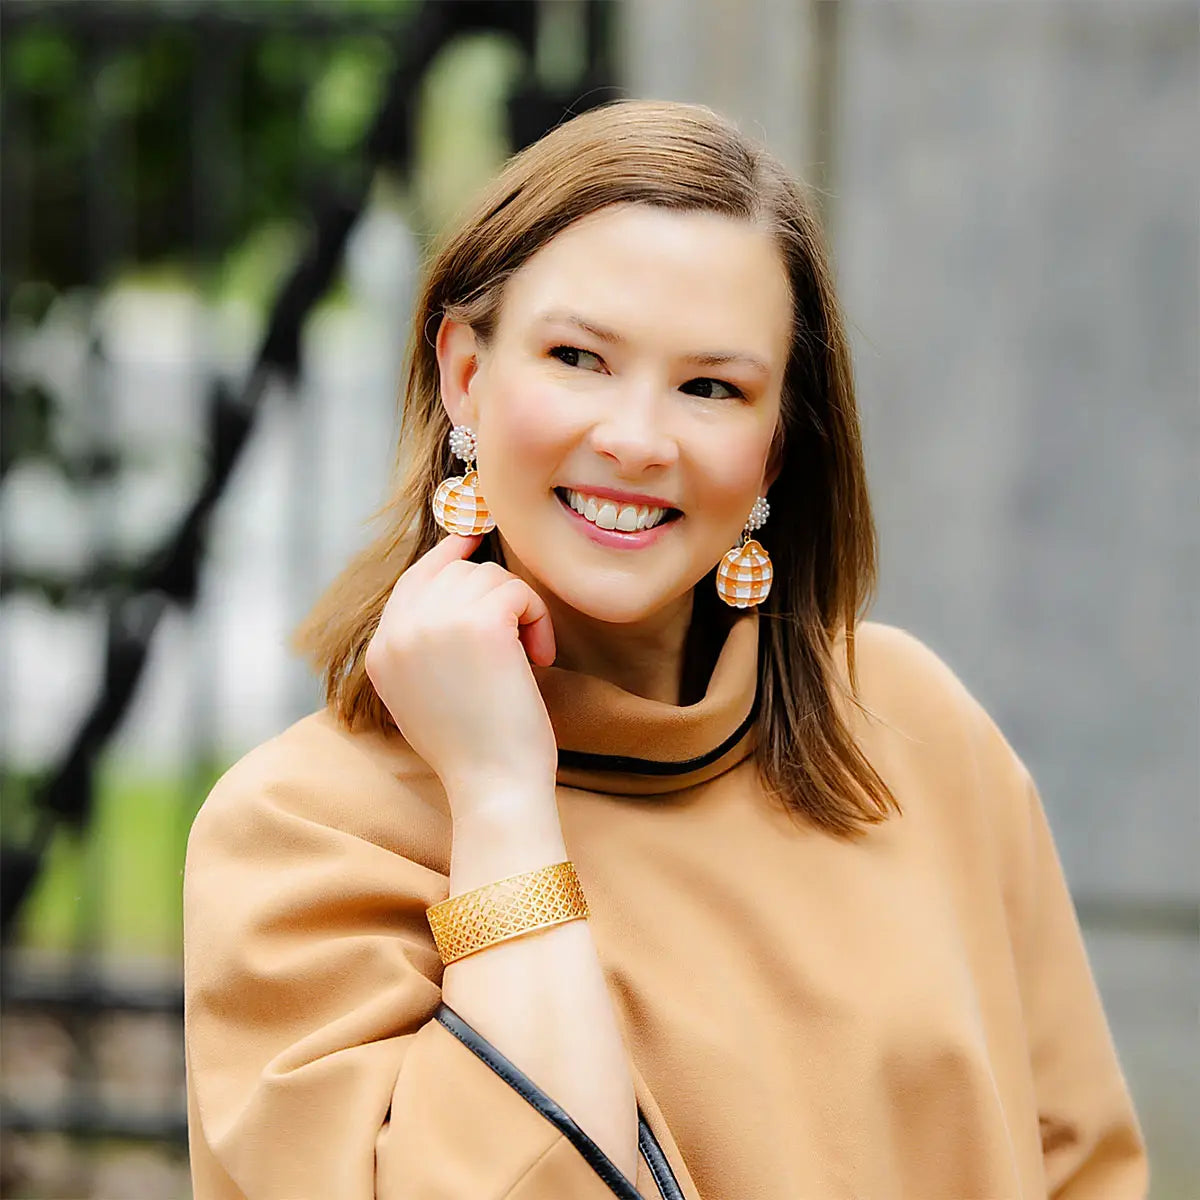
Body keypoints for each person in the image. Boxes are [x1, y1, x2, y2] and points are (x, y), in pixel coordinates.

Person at [182, 100, 1147, 1199]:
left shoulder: (913, 730)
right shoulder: (303, 834)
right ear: (466, 373)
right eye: (579, 357)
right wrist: (500, 799)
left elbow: (1085, 1167)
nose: (637, 439)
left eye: (710, 387)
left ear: (776, 442)